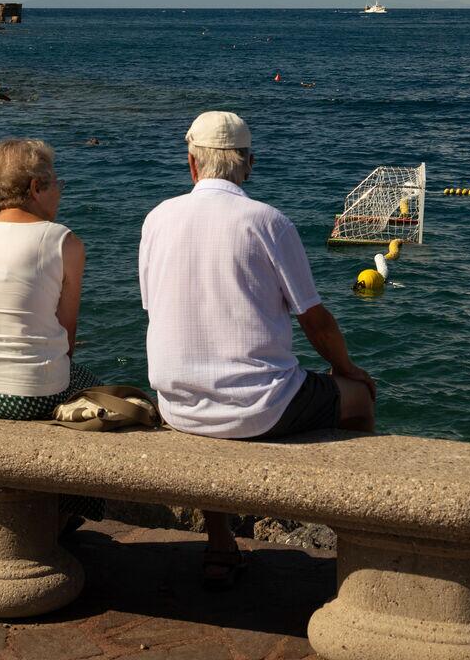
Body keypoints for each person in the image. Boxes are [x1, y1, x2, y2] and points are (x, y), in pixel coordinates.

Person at [139, 110, 375, 588]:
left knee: (213, 403)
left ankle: (220, 544)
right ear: (247, 164)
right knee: (359, 400)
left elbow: (152, 306)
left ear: (192, 164)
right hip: (260, 409)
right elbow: (315, 320)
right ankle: (362, 540)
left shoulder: (157, 219)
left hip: (178, 404)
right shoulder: (268, 222)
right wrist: (349, 369)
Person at [0, 137, 104, 523]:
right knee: (91, 388)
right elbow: (67, 334)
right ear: (34, 188)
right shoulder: (65, 242)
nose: (60, 190)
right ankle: (67, 517)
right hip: (27, 395)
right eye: (56, 182)